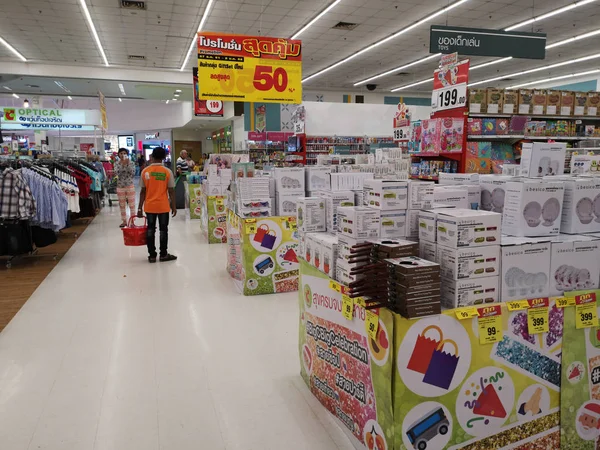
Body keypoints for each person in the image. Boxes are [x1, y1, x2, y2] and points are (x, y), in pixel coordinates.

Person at [137, 147, 177, 263]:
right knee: (163, 230)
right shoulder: (167, 171)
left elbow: (142, 192)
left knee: (150, 230)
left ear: (152, 157)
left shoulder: (145, 171)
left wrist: (139, 208)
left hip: (149, 206)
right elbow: (171, 191)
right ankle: (163, 254)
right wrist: (173, 206)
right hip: (163, 206)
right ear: (164, 158)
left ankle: (152, 255)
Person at [114, 148, 136, 228]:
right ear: (118, 154)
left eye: (124, 153)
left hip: (130, 186)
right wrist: (122, 164)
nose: (123, 155)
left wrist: (127, 164)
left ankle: (133, 221)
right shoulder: (116, 163)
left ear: (127, 154)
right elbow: (116, 173)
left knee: (132, 204)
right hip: (120, 186)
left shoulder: (131, 163)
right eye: (121, 153)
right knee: (122, 205)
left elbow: (132, 173)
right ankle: (124, 221)